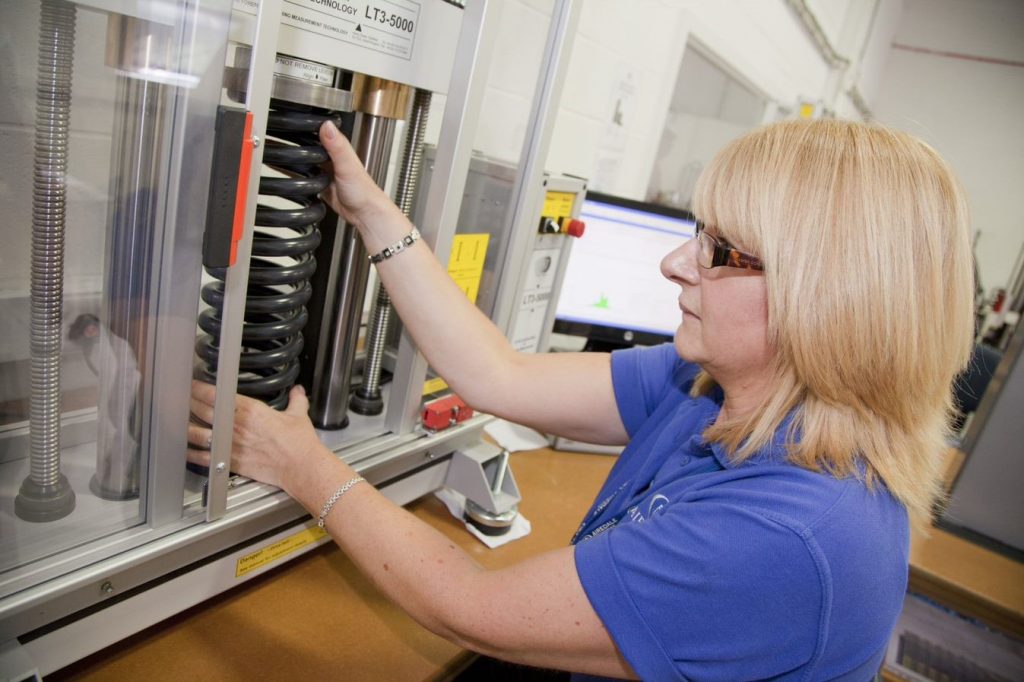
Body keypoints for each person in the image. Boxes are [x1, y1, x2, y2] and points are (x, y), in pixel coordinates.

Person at [188, 118, 974, 680]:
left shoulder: (786, 536)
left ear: (831, 298)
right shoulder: (716, 389)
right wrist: (372, 214)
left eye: (720, 251)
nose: (674, 263)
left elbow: (467, 605)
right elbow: (499, 376)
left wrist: (303, 465)